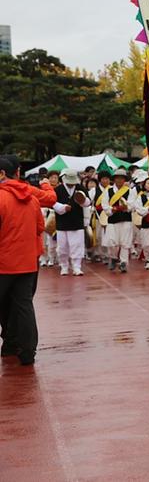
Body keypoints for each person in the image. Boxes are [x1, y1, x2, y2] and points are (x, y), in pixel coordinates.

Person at [0, 155, 45, 366]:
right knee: (24, 306)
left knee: (9, 307)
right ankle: (27, 352)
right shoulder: (32, 199)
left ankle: (10, 343)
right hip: (27, 263)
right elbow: (39, 228)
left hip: (3, 263)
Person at [53, 168, 91, 276]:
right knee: (62, 247)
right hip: (62, 222)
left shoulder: (80, 188)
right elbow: (53, 203)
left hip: (76, 221)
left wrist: (82, 200)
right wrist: (63, 208)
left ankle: (76, 267)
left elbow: (88, 202)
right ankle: (64, 266)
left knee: (77, 245)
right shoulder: (58, 190)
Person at [102, 168, 137, 273]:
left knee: (125, 242)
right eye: (117, 178)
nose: (119, 181)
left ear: (124, 180)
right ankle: (113, 257)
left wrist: (125, 207)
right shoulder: (108, 191)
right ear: (114, 179)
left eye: (122, 178)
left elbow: (132, 205)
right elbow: (105, 205)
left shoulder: (130, 191)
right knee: (112, 241)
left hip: (125, 219)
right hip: (112, 219)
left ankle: (123, 262)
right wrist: (112, 209)